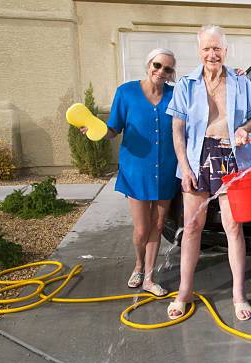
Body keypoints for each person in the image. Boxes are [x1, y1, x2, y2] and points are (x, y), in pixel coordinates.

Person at [166, 25, 251, 321]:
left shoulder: (239, 80)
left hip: (231, 157)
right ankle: (184, 291)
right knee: (193, 227)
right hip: (198, 157)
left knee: (233, 228)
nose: (212, 53)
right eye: (207, 48)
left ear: (225, 50)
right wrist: (184, 166)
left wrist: (244, 129)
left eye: (217, 48)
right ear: (199, 51)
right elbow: (178, 129)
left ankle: (237, 293)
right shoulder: (186, 84)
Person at [82, 48, 179, 297]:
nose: (161, 71)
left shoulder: (176, 95)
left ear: (171, 74)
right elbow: (114, 128)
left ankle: (149, 277)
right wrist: (99, 130)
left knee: (158, 224)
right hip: (136, 169)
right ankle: (138, 264)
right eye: (157, 65)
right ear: (148, 65)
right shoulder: (126, 92)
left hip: (167, 168)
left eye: (167, 69)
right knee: (141, 228)